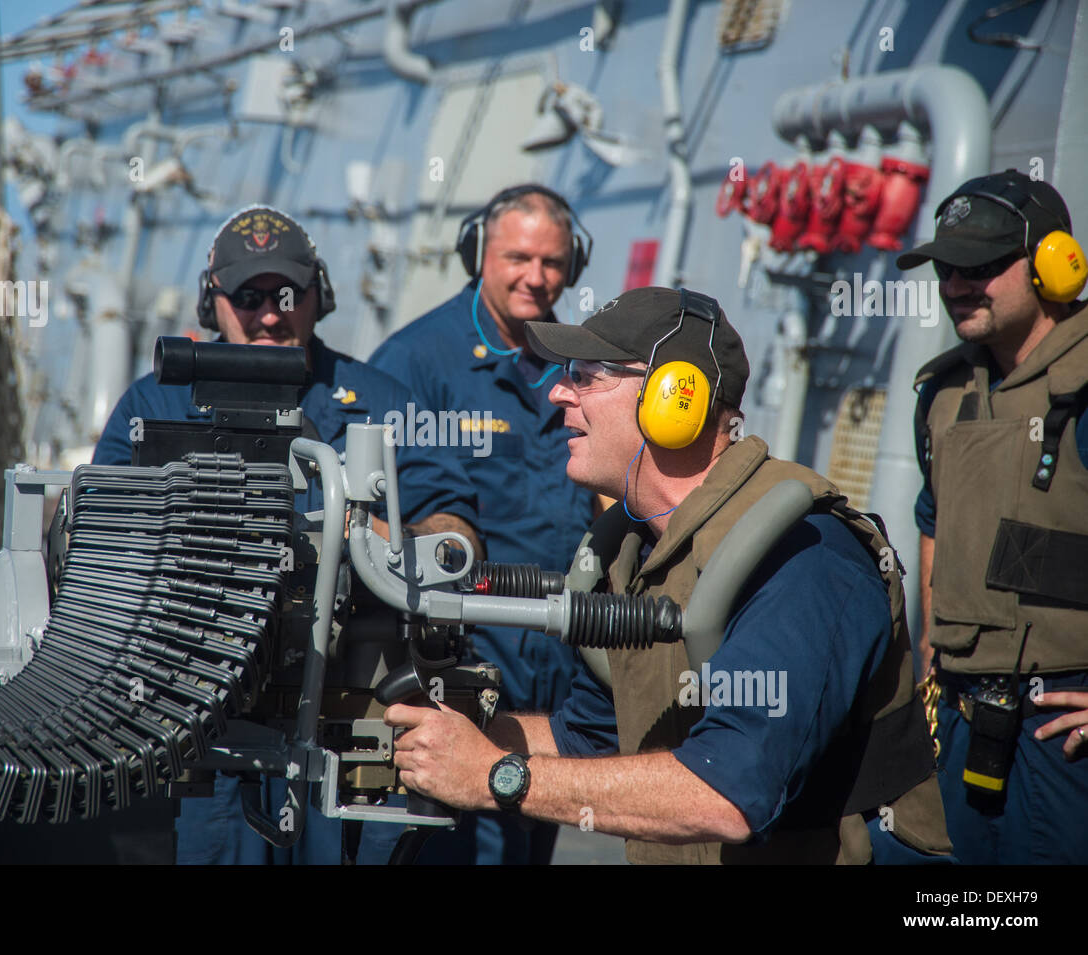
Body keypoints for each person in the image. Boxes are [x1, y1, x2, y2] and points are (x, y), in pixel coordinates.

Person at [383, 286, 954, 863]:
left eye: (585, 376)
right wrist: (447, 738)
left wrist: (496, 777)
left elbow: (729, 792)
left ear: (673, 399)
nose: (557, 392)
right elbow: (591, 737)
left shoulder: (802, 555)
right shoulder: (639, 549)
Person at [94, 204, 482, 864]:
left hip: (352, 731)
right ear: (210, 301)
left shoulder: (381, 402)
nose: (270, 314)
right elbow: (102, 541)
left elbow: (457, 531)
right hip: (206, 733)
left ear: (318, 297)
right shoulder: (154, 403)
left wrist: (391, 538)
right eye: (247, 297)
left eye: (285, 294)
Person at [367, 184, 596, 864]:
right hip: (468, 657)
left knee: (533, 833)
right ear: (478, 255)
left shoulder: (580, 360)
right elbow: (377, 516)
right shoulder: (413, 364)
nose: (536, 277)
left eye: (553, 263)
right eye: (518, 257)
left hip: (560, 648)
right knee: (470, 841)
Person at [900, 170, 1088, 864]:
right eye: (947, 267)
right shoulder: (945, 390)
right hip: (958, 718)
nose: (954, 285)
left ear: (1052, 262)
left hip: (1062, 736)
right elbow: (934, 521)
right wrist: (929, 664)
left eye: (979, 266)